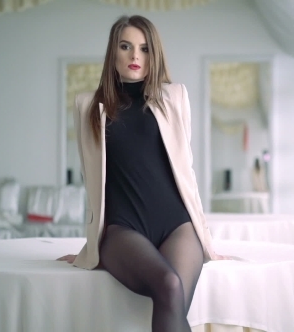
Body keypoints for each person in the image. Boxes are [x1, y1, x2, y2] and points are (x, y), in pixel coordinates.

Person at [57, 15, 226, 332]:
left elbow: (185, 170)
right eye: (126, 46)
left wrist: (205, 236)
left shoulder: (174, 98)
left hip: (176, 225)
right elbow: (92, 183)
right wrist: (92, 246)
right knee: (169, 286)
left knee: (172, 295)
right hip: (123, 228)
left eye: (145, 48)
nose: (136, 56)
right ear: (114, 52)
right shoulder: (88, 107)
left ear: (154, 54)